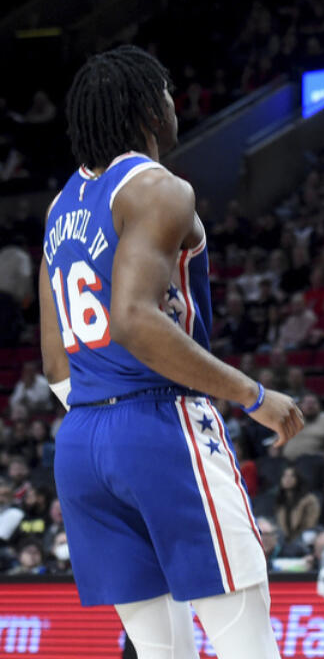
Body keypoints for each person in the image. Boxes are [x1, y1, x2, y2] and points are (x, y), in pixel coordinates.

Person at [39, 45, 303, 658]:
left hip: (81, 442)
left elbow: (56, 360)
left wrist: (102, 416)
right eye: (166, 92)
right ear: (148, 110)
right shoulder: (159, 188)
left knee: (162, 654)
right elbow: (134, 319)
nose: (173, 102)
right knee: (249, 646)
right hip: (159, 425)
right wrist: (253, 395)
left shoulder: (59, 207)